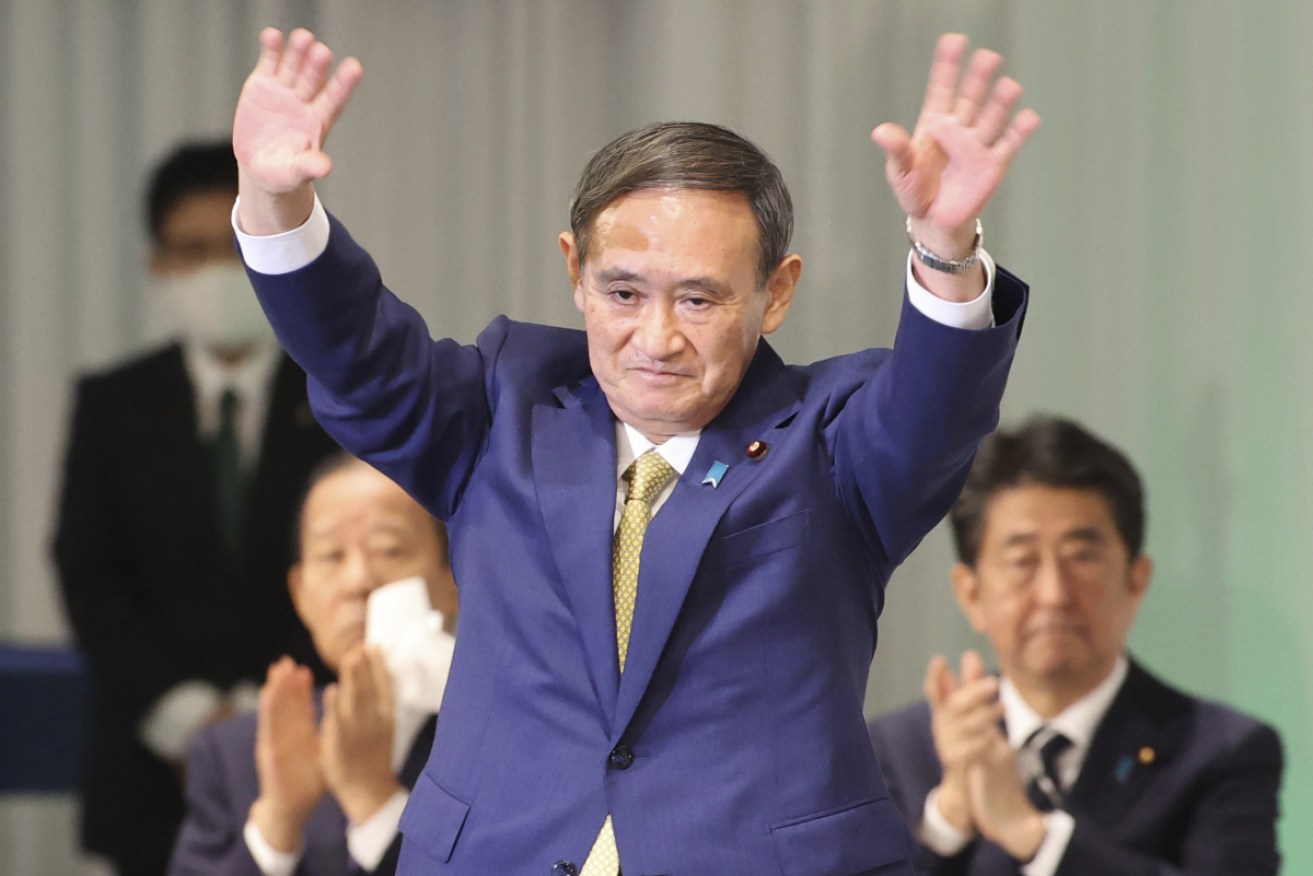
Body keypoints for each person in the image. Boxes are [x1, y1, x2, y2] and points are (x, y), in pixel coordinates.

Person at [229, 26, 1039, 875]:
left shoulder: (830, 442)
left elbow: (932, 415)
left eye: (699, 299)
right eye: (622, 292)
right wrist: (274, 205)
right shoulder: (501, 409)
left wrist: (946, 252)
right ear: (574, 271)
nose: (656, 338)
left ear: (776, 293)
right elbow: (354, 355)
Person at [52, 140, 341, 875]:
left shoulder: (338, 398)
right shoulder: (113, 404)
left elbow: (348, 570)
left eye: (233, 247)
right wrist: (185, 721)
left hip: (310, 755)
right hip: (149, 771)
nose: (217, 270)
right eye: (193, 249)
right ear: (159, 264)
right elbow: (90, 572)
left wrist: (258, 715)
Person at [867, 416, 1284, 875]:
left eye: (1081, 557)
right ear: (971, 594)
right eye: (1022, 561)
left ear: (1136, 579)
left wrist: (1037, 837)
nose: (1054, 594)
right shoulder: (900, 751)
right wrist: (947, 820)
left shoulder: (1221, 751)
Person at [169, 453, 460, 876]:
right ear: (300, 594)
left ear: (454, 579)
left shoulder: (493, 741)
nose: (357, 581)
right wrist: (277, 822)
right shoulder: (235, 754)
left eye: (389, 549)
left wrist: (375, 799)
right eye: (330, 556)